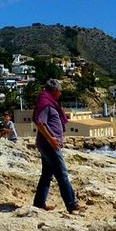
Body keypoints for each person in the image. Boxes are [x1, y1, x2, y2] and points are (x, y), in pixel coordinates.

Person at [32, 79, 78, 214]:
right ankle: (72, 205)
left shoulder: (48, 102)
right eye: (59, 90)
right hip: (49, 144)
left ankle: (39, 203)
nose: (61, 93)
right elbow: (40, 123)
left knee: (46, 174)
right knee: (62, 174)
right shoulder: (45, 103)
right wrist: (51, 138)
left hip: (47, 143)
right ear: (54, 90)